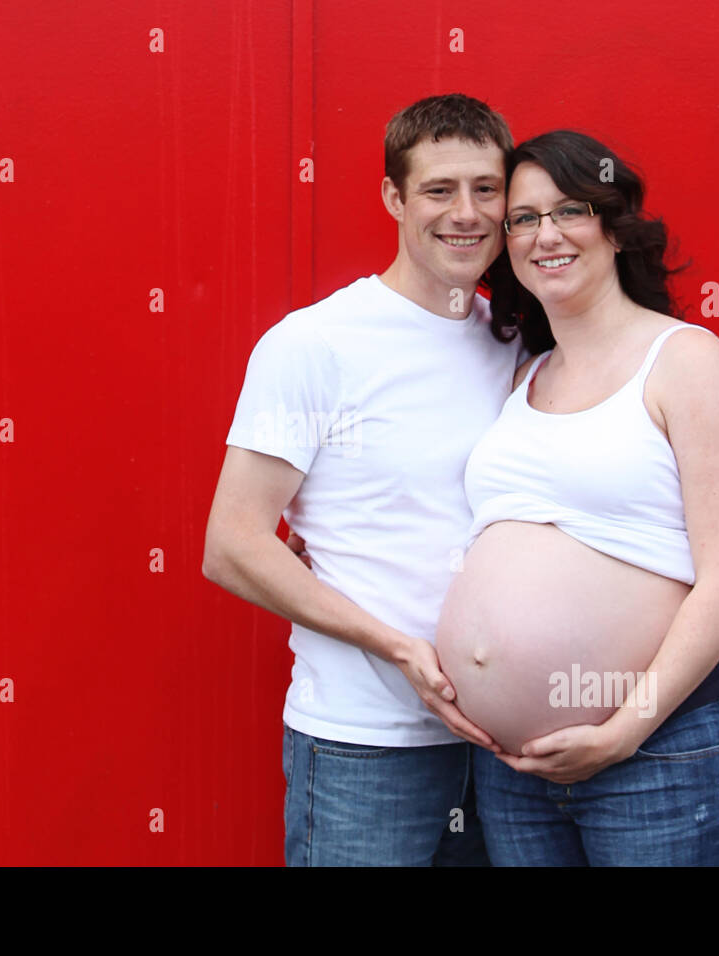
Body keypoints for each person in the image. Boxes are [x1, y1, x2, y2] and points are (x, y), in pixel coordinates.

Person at [202, 94, 527, 866]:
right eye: (439, 190)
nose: (467, 213)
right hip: (367, 746)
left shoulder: (514, 340)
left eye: (487, 189)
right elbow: (233, 544)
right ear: (393, 198)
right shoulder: (316, 345)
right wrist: (398, 648)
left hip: (510, 749)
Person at [434, 129, 719, 865]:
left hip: (658, 756)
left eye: (570, 210)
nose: (544, 234)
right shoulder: (522, 379)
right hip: (513, 770)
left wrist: (626, 728)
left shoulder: (684, 360)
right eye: (522, 218)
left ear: (614, 229)